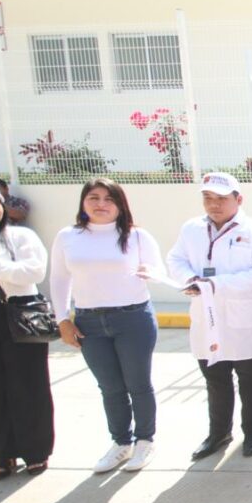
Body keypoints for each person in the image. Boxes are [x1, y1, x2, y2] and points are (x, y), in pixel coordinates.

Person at [51, 178, 164, 473]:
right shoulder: (68, 236)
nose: (101, 204)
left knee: (138, 384)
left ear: (120, 204)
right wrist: (62, 319)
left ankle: (144, 441)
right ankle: (121, 443)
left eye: (108, 199)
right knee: (110, 387)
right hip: (90, 321)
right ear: (83, 202)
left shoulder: (136, 236)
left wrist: (149, 273)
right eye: (94, 197)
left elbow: (158, 270)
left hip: (133, 318)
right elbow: (60, 280)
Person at [167, 173, 252, 460]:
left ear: (239, 200)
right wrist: (189, 278)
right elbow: (175, 259)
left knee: (250, 378)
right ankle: (219, 432)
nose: (214, 205)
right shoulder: (191, 229)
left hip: (242, 318)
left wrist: (216, 285)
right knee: (215, 378)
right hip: (205, 318)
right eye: (208, 198)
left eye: (222, 199)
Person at [0, 182, 53, 478]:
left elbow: (34, 272)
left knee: (28, 386)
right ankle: (2, 454)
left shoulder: (21, 236)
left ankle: (35, 451)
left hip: (20, 312)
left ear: (2, 207)